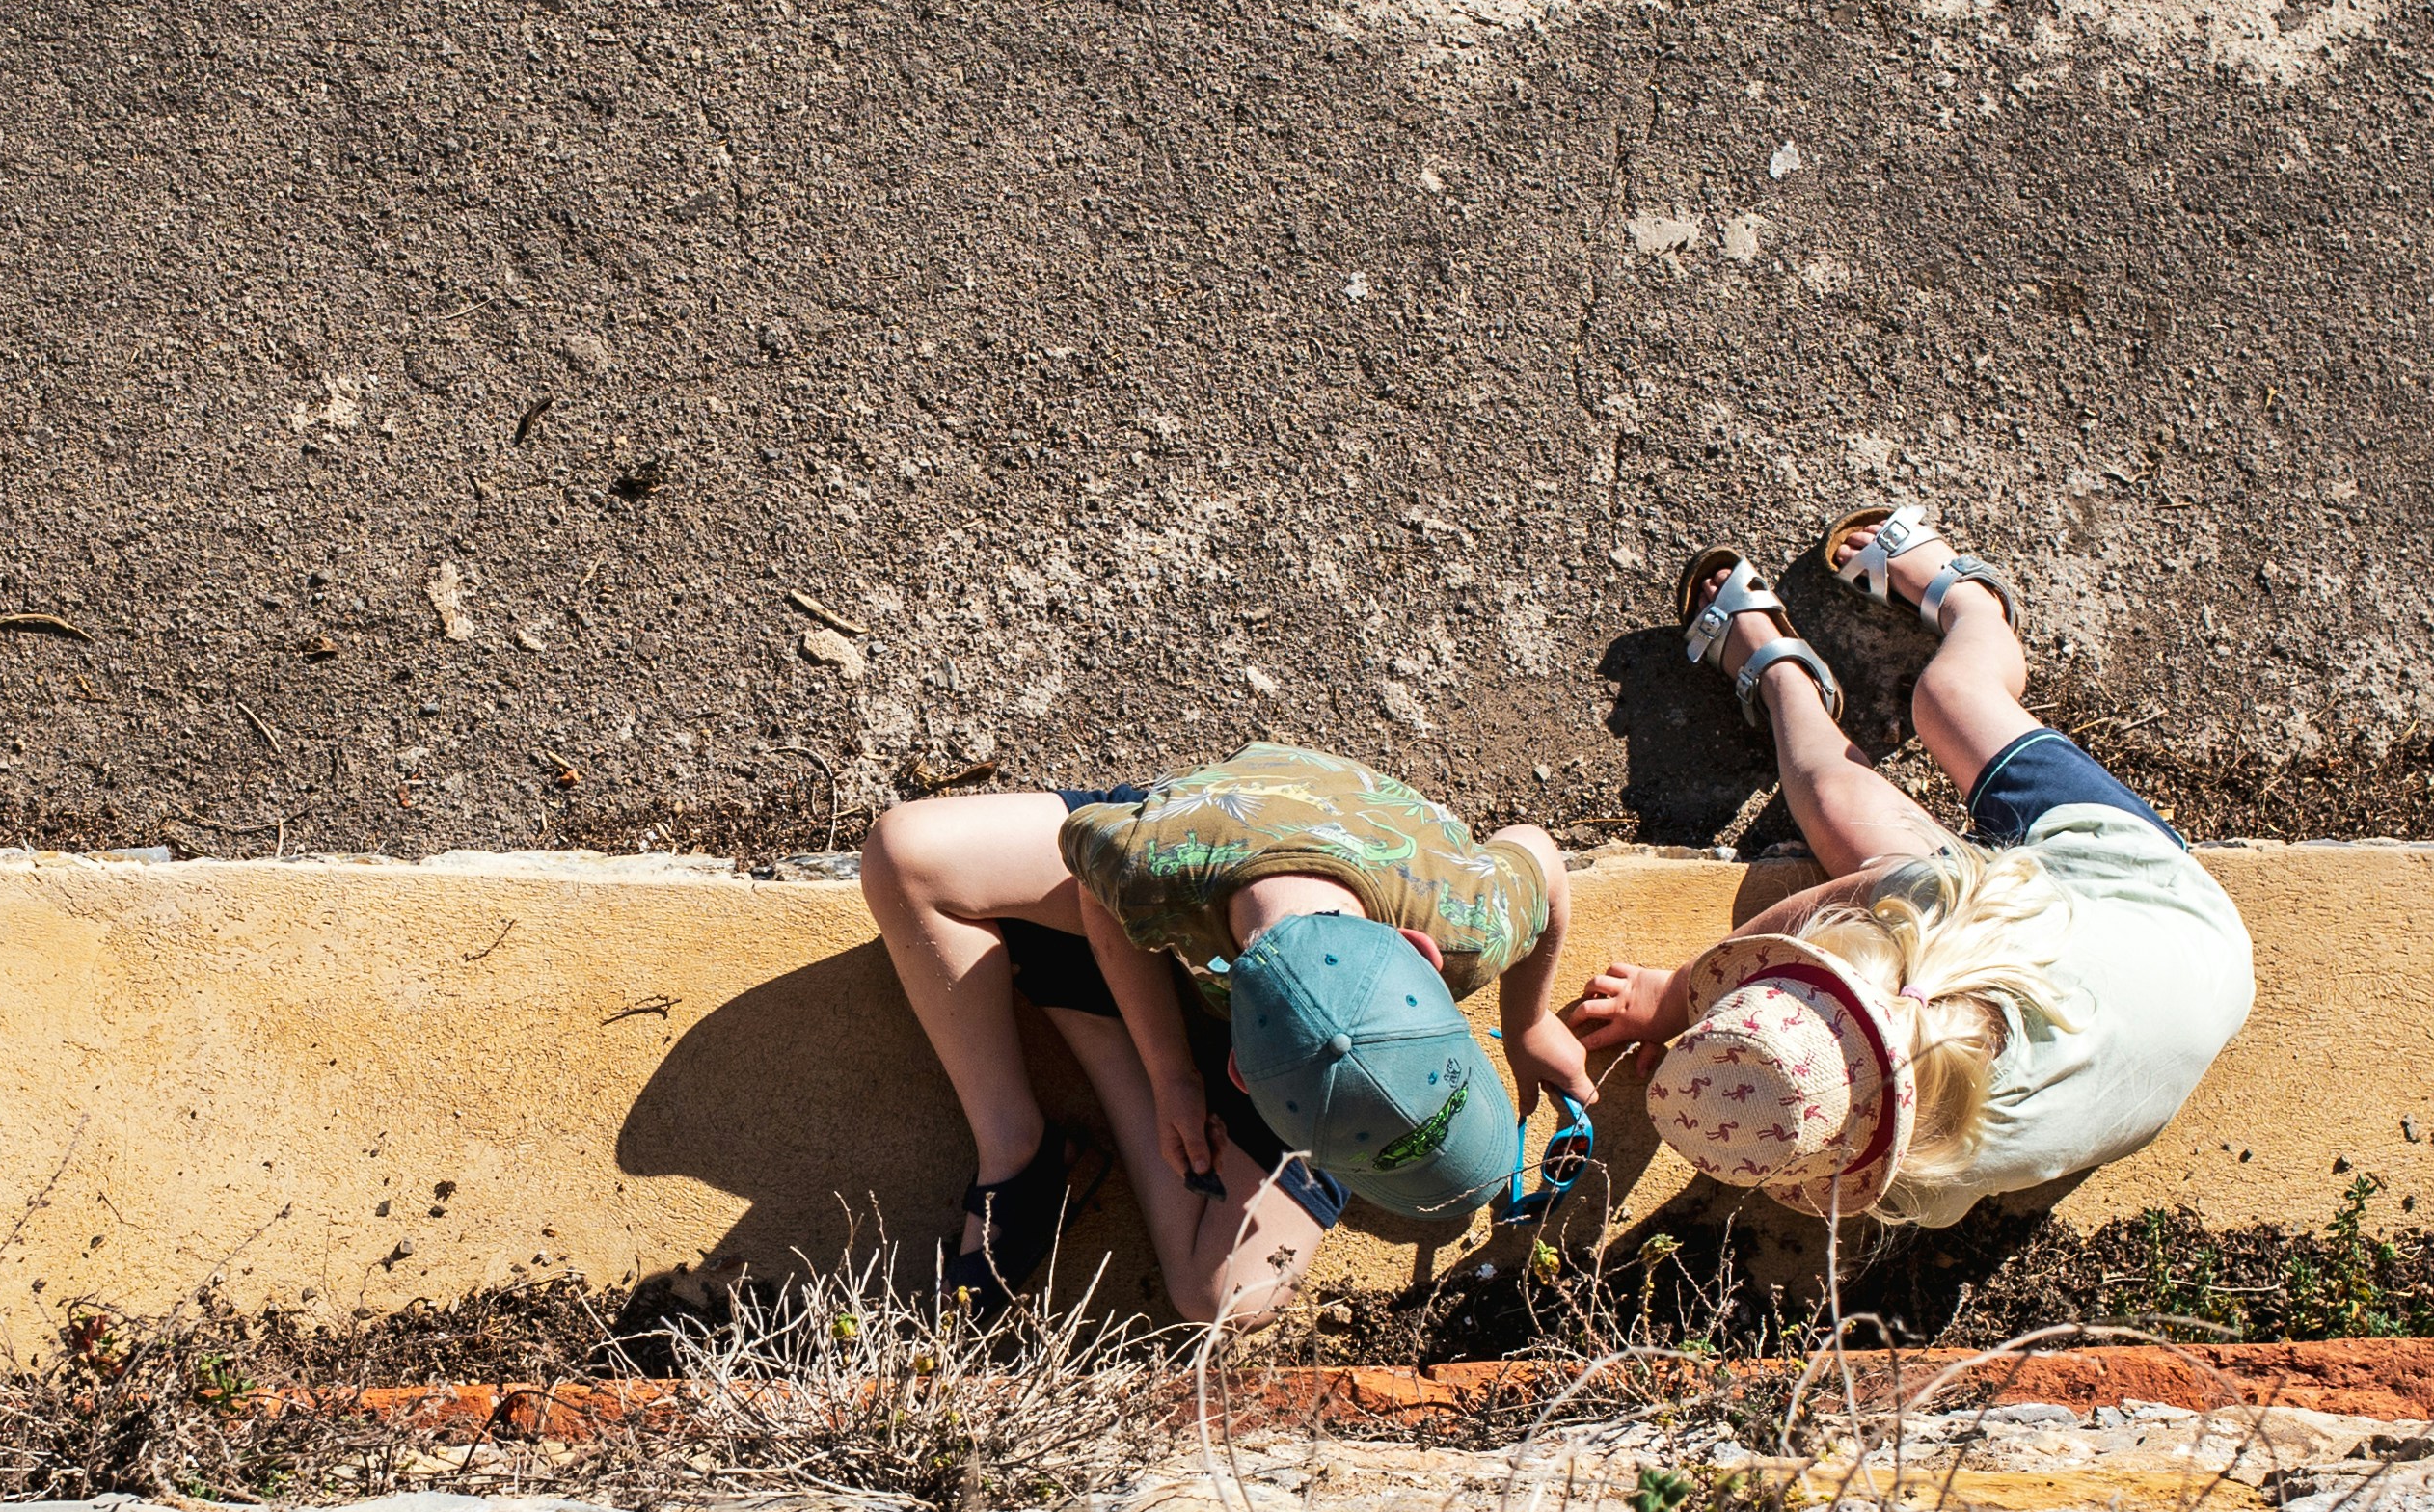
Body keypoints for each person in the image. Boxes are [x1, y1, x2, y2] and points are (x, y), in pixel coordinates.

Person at [1558, 501, 2251, 1233]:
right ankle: (1966, 608)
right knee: (1947, 699)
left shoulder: (1935, 1177)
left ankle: (1801, 675)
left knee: (1840, 794)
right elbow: (1826, 904)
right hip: (2139, 891)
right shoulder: (1947, 921)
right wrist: (1675, 996)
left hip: (2180, 987)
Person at [858, 742, 1595, 1325]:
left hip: (1276, 875)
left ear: (1425, 952)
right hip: (1206, 844)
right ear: (1238, 1073)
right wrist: (1170, 1075)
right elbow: (1097, 894)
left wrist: (1527, 1022)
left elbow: (1539, 852)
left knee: (1219, 1299)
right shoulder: (1157, 867)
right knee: (902, 856)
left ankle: (1088, 998)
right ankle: (1017, 1143)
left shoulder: (1470, 916)